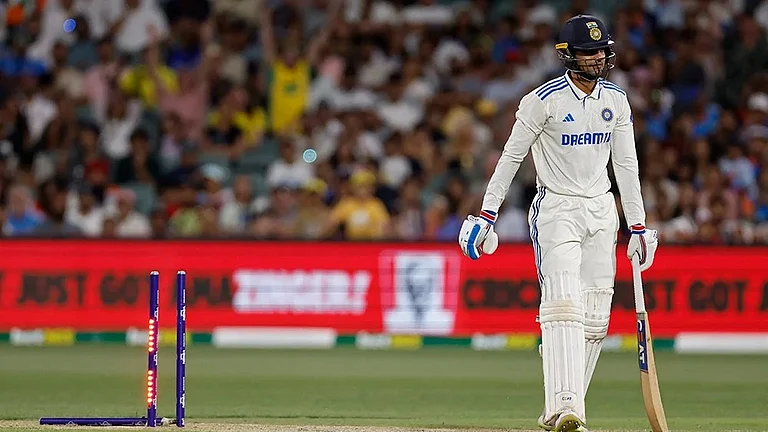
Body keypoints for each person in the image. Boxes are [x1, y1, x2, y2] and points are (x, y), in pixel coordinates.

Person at [457, 15, 659, 432]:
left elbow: (626, 165)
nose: (599, 57)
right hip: (557, 210)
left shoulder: (617, 101)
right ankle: (566, 408)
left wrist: (637, 225)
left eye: (602, 50)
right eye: (590, 52)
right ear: (568, 56)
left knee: (596, 318)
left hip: (603, 211)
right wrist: (487, 213)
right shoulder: (542, 101)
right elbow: (510, 157)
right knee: (563, 304)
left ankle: (563, 411)